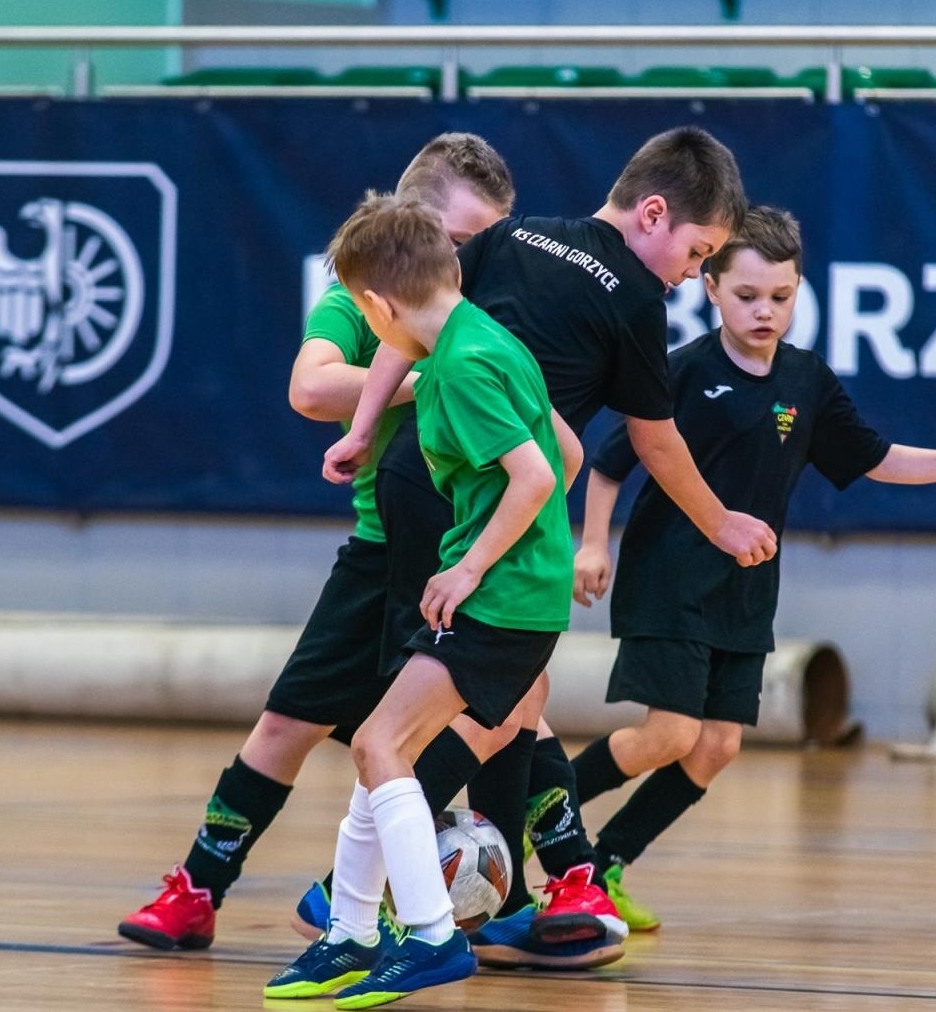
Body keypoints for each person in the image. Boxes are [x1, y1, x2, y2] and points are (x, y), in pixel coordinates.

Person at [323, 126, 767, 951]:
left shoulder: (519, 235)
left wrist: (362, 426)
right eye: (697, 252)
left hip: (427, 483)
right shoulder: (636, 297)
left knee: (514, 700)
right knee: (482, 703)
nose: (692, 274)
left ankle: (522, 890)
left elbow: (405, 331)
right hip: (482, 511)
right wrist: (720, 520)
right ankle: (376, 894)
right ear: (654, 214)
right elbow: (656, 441)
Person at [567, 207, 936, 930]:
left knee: (717, 745)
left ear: (799, 289)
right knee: (670, 734)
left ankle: (606, 860)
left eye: (780, 297)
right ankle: (544, 807)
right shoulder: (679, 371)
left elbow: (875, 458)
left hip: (744, 591)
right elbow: (610, 463)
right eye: (747, 296)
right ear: (710, 286)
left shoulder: (807, 380)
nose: (764, 311)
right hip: (670, 579)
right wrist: (593, 545)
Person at [117, 135, 513, 952]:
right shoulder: (365, 298)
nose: (478, 259)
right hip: (381, 551)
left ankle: (515, 894)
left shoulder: (493, 303)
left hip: (467, 549)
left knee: (505, 714)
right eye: (467, 241)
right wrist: (424, 377)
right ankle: (197, 887)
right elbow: (309, 386)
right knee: (288, 721)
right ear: (415, 228)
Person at [265, 194, 577, 1010]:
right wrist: (365, 427)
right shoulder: (476, 337)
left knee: (380, 747)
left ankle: (433, 935)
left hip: (502, 600)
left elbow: (538, 476)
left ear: (379, 306)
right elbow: (562, 451)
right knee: (379, 745)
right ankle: (350, 933)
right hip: (520, 593)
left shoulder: (466, 366)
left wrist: (470, 567)